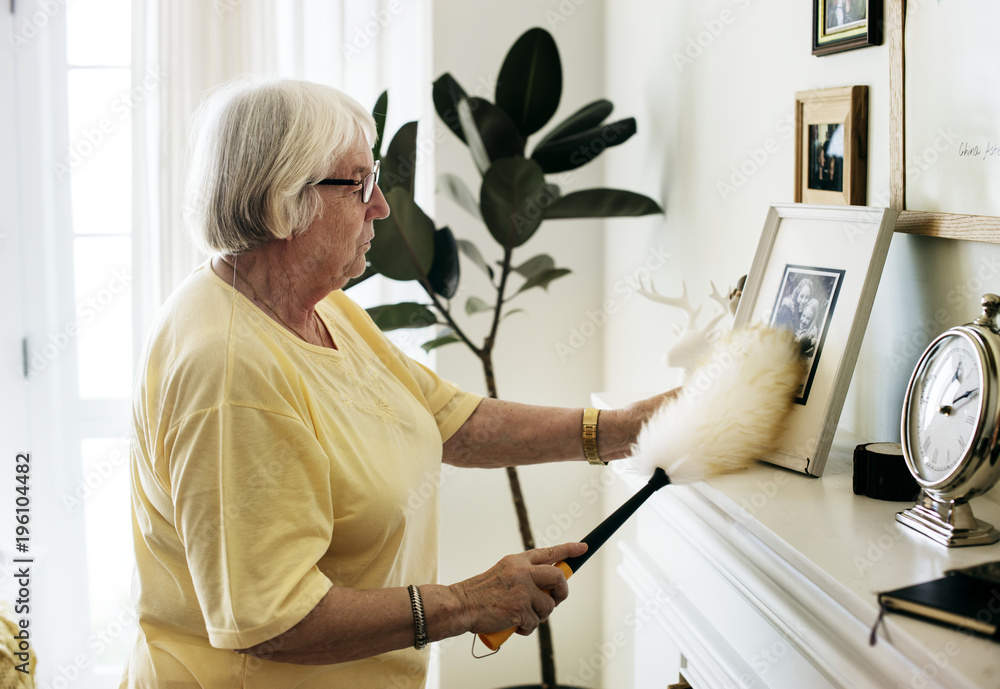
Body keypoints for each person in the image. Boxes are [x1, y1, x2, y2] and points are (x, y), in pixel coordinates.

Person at [121, 77, 675, 689]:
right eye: (359, 182)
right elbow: (274, 619)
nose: (381, 205)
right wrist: (467, 602)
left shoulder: (319, 306)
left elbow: (450, 419)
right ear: (285, 198)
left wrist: (624, 429)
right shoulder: (228, 370)